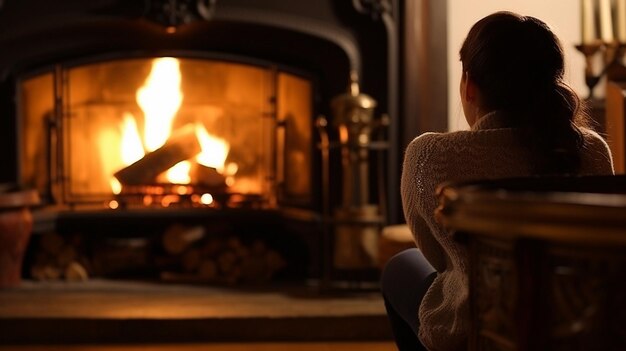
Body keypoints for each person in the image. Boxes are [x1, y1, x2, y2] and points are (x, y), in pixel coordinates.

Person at [381, 11, 614, 351]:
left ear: (470, 84)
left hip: (480, 322)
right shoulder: (591, 148)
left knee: (400, 267)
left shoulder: (428, 154)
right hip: (580, 320)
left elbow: (437, 255)